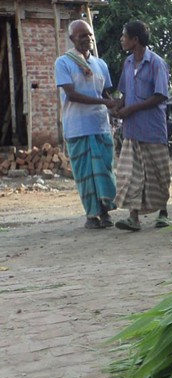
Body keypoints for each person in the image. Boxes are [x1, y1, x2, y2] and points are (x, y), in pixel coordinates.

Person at [54, 19, 118, 230]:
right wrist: (104, 102)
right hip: (77, 127)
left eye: (89, 35)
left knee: (104, 170)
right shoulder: (63, 62)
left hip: (100, 125)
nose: (87, 39)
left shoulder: (101, 64)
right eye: (82, 35)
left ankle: (105, 212)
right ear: (72, 39)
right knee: (85, 174)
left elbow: (106, 92)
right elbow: (71, 94)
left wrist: (117, 107)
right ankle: (92, 215)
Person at [111, 20, 171, 231]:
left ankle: (163, 213)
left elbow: (159, 95)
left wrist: (131, 109)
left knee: (158, 174)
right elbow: (124, 94)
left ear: (135, 40)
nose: (121, 39)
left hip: (153, 129)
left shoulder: (156, 63)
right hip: (132, 131)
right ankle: (133, 218)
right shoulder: (128, 63)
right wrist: (117, 107)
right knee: (130, 175)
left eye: (124, 35)